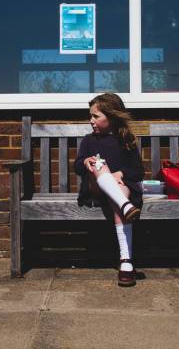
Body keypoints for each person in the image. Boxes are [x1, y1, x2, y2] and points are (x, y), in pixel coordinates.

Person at [73, 93, 145, 287]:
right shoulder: (89, 141)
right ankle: (126, 207)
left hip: (120, 192)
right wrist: (86, 162)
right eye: (91, 116)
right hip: (95, 189)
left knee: (119, 193)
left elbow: (138, 171)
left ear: (111, 117)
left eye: (96, 116)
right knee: (98, 164)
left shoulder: (125, 140)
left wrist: (120, 173)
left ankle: (126, 261)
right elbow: (78, 166)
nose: (91, 120)